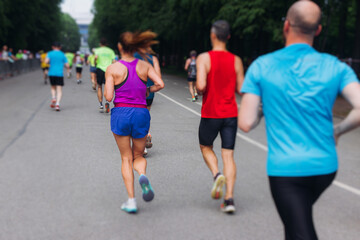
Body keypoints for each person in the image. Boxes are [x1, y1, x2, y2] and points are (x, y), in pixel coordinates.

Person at [238, 1, 360, 239]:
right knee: (295, 224)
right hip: (325, 168)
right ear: (318, 30)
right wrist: (339, 130)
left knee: (299, 230)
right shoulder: (336, 66)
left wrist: (264, 109)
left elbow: (245, 122)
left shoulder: (262, 66)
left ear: (286, 26)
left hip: (287, 172)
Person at [104, 31, 164, 213]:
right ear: (135, 46)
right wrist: (147, 90)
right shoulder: (145, 65)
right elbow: (160, 84)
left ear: (120, 47)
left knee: (125, 158)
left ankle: (131, 201)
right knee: (138, 156)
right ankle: (143, 175)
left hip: (121, 113)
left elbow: (108, 96)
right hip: (141, 113)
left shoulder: (113, 68)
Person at [196, 20, 244, 213]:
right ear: (229, 37)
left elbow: (200, 86)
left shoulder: (204, 58)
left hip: (211, 112)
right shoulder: (237, 60)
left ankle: (217, 175)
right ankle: (229, 200)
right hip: (231, 113)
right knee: (228, 155)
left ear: (212, 35)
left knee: (206, 146)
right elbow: (241, 88)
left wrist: (204, 89)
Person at [134, 46, 162, 155]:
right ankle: (147, 133)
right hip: (148, 92)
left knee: (136, 117)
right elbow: (158, 79)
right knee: (146, 114)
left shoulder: (132, 58)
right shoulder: (153, 59)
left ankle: (141, 146)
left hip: (134, 91)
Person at [46, 42, 69, 111]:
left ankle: (53, 98)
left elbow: (46, 61)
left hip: (51, 73)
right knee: (59, 90)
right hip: (59, 74)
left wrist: (51, 62)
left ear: (53, 47)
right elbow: (67, 65)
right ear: (60, 47)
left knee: (53, 87)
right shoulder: (62, 54)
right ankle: (57, 105)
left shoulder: (50, 53)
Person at [95, 38, 116, 113]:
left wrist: (95, 63)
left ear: (100, 44)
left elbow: (95, 58)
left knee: (99, 86)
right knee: (107, 86)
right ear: (106, 44)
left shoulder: (97, 50)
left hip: (100, 69)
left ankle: (101, 105)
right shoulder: (110, 51)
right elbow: (114, 61)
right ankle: (107, 101)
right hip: (109, 70)